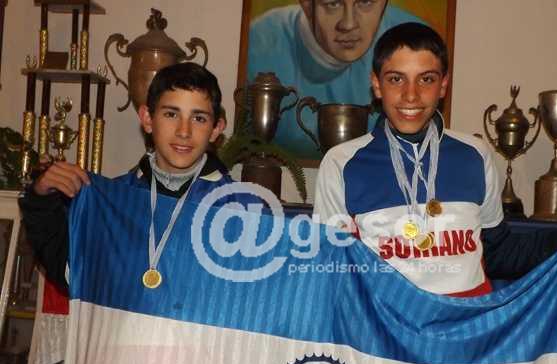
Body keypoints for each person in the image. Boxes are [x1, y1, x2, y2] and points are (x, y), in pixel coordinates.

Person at [313, 22, 557, 296]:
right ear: (376, 84)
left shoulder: (474, 154)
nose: (411, 95)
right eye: (396, 79)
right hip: (382, 337)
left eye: (426, 79)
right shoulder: (342, 163)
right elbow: (330, 271)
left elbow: (497, 251)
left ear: (443, 85)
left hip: (464, 335)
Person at [19, 62, 241, 292]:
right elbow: (71, 272)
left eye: (199, 118)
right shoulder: (111, 203)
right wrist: (41, 200)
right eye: (171, 114)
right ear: (147, 118)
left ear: (216, 129)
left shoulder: (241, 211)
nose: (184, 132)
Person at [247, 0, 424, 160]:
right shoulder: (259, 45)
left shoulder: (418, 43)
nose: (348, 24)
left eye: (365, 2)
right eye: (333, 4)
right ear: (306, 4)